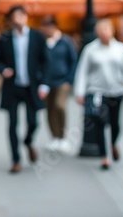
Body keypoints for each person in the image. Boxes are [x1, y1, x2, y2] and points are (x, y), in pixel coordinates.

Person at [0, 5, 49, 174]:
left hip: (31, 87)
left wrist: (44, 84)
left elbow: (46, 61)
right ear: (11, 20)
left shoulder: (37, 37)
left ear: (25, 17)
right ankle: (16, 160)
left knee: (33, 122)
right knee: (12, 124)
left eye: (20, 16)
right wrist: (3, 69)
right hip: (13, 87)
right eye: (14, 17)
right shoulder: (5, 38)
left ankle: (28, 141)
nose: (17, 20)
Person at [73, 18, 123, 170]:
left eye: (106, 29)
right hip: (97, 92)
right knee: (100, 122)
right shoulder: (90, 49)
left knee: (115, 123)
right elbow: (82, 71)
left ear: (111, 31)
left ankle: (113, 143)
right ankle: (104, 156)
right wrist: (80, 91)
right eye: (101, 30)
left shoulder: (120, 48)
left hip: (116, 91)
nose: (104, 33)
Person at [40, 15, 77, 154]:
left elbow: (73, 60)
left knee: (59, 106)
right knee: (49, 109)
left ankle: (62, 136)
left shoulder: (65, 42)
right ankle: (54, 136)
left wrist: (70, 78)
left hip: (63, 80)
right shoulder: (43, 42)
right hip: (47, 82)